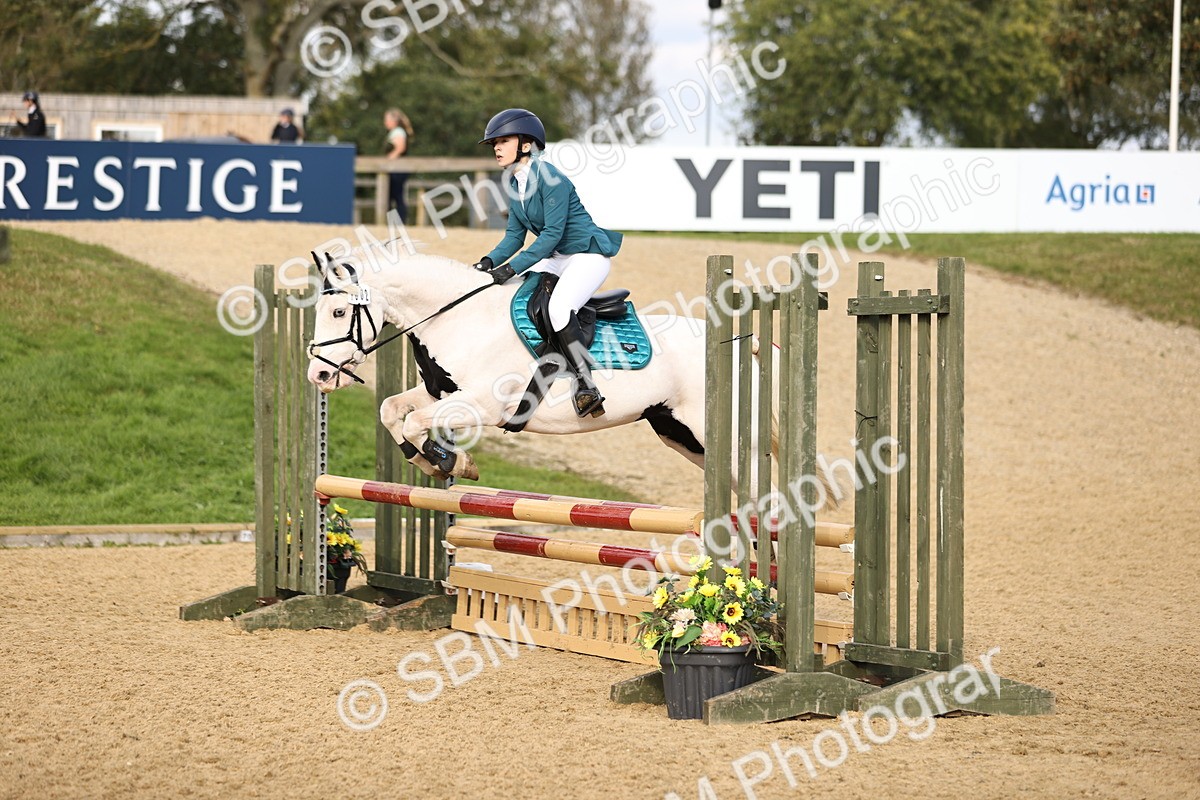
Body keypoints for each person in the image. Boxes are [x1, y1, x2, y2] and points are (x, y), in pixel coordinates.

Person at [472, 108, 622, 418]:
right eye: (494, 143)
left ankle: (586, 385)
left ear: (526, 145)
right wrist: (486, 264)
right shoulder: (514, 185)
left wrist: (511, 267)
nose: (496, 148)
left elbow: (551, 235)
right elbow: (514, 238)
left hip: (587, 256)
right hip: (557, 259)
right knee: (516, 293)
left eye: (503, 141)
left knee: (558, 308)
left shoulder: (551, 178)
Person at [383, 108, 413, 222]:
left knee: (395, 195)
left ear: (393, 121)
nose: (385, 122)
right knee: (395, 195)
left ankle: (399, 221)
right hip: (398, 168)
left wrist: (389, 159)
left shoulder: (398, 132)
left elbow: (400, 148)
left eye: (387, 120)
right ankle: (396, 220)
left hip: (397, 169)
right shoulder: (397, 131)